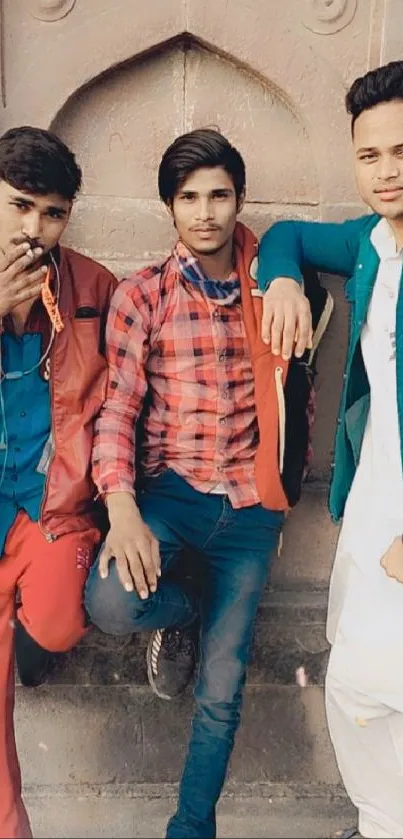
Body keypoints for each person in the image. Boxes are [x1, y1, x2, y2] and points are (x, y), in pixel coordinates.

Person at [84, 127, 331, 839]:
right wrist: (122, 508)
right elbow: (118, 406)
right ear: (169, 207)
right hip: (170, 496)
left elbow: (297, 395)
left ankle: (191, 828)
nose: (204, 212)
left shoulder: (274, 286)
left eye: (218, 195)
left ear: (238, 199)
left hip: (250, 511)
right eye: (188, 197)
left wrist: (280, 489)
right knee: (109, 601)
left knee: (221, 689)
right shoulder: (143, 295)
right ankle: (183, 609)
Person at [257, 60, 403, 839]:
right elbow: (283, 235)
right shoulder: (371, 243)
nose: (387, 172)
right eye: (370, 155)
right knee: (354, 665)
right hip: (375, 490)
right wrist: (281, 281)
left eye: (402, 151)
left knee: (367, 678)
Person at [0, 125, 117, 839]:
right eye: (18, 207)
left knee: (59, 619)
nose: (34, 229)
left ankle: (30, 636)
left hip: (49, 509)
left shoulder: (93, 285)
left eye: (51, 213)